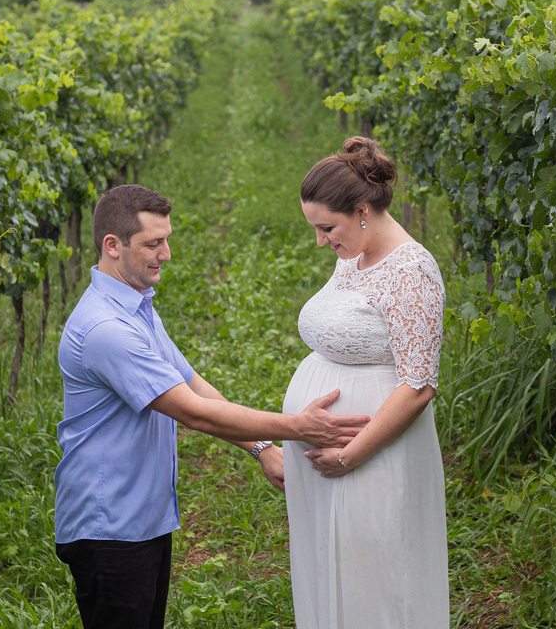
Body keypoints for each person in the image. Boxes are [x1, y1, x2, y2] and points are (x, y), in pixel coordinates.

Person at [54, 184, 369, 629]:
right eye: (152, 243)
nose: (165, 254)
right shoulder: (106, 329)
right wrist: (300, 427)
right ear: (112, 245)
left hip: (140, 518)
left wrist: (262, 448)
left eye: (166, 240)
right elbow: (193, 412)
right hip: (109, 528)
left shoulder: (135, 305)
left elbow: (193, 384)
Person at [282, 136, 450, 629]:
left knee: (378, 577)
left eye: (326, 228)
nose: (321, 241)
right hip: (332, 455)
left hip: (374, 453)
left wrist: (349, 455)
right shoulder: (353, 255)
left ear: (361, 212)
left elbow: (418, 386)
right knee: (332, 567)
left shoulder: (412, 271)